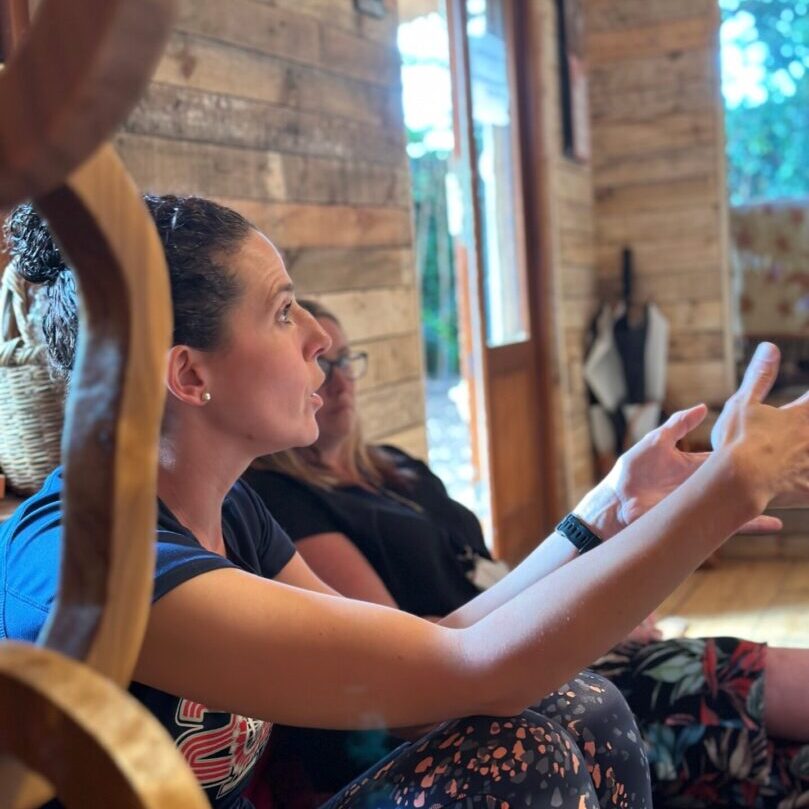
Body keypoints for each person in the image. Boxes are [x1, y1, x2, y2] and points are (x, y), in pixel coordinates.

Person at [1, 197, 808, 809]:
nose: (318, 337)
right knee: (523, 747)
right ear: (188, 375)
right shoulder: (95, 563)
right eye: (283, 311)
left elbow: (437, 641)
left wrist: (603, 507)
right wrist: (720, 491)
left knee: (580, 703)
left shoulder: (226, 506)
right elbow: (476, 669)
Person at [248, 300, 809, 809]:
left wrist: (604, 516)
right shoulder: (275, 502)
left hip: (502, 648)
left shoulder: (393, 466)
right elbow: (410, 669)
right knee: (665, 691)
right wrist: (711, 500)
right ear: (188, 371)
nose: (335, 376)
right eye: (310, 349)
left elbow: (471, 610)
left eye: (346, 359)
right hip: (481, 679)